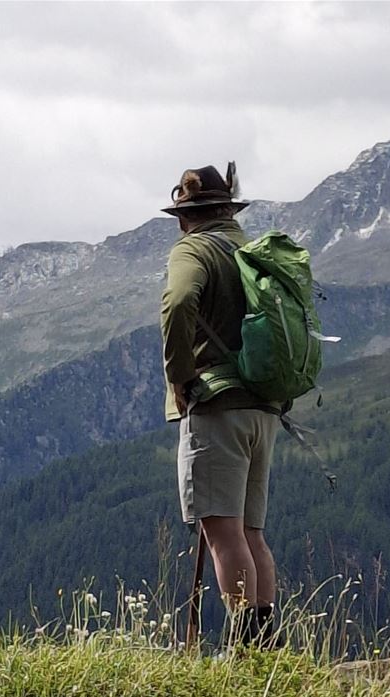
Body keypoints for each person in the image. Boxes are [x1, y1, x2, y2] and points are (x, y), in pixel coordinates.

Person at [160, 162, 281, 646]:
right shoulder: (249, 250)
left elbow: (178, 302)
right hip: (263, 407)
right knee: (252, 533)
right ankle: (267, 648)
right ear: (228, 209)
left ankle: (244, 649)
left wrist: (179, 377)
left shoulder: (195, 249)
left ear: (187, 215)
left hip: (217, 407)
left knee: (222, 534)